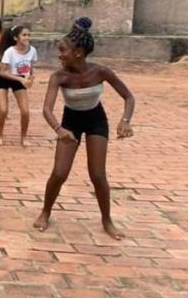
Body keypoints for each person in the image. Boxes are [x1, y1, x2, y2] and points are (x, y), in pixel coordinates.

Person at [34, 17, 135, 241]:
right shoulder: (59, 77)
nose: (59, 55)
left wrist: (125, 120)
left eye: (63, 51)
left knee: (98, 175)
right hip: (70, 121)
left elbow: (128, 96)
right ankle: (45, 211)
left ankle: (107, 220)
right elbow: (47, 110)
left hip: (96, 120)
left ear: (78, 52)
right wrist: (59, 129)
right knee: (60, 173)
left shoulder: (100, 72)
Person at [0, 25, 37, 146]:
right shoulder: (9, 52)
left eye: (29, 35)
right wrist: (20, 79)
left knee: (25, 111)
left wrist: (30, 79)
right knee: (3, 110)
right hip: (5, 78)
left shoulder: (32, 50)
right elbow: (2, 72)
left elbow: (31, 68)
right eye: (24, 35)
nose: (27, 37)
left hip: (19, 80)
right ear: (16, 38)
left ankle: (23, 137)